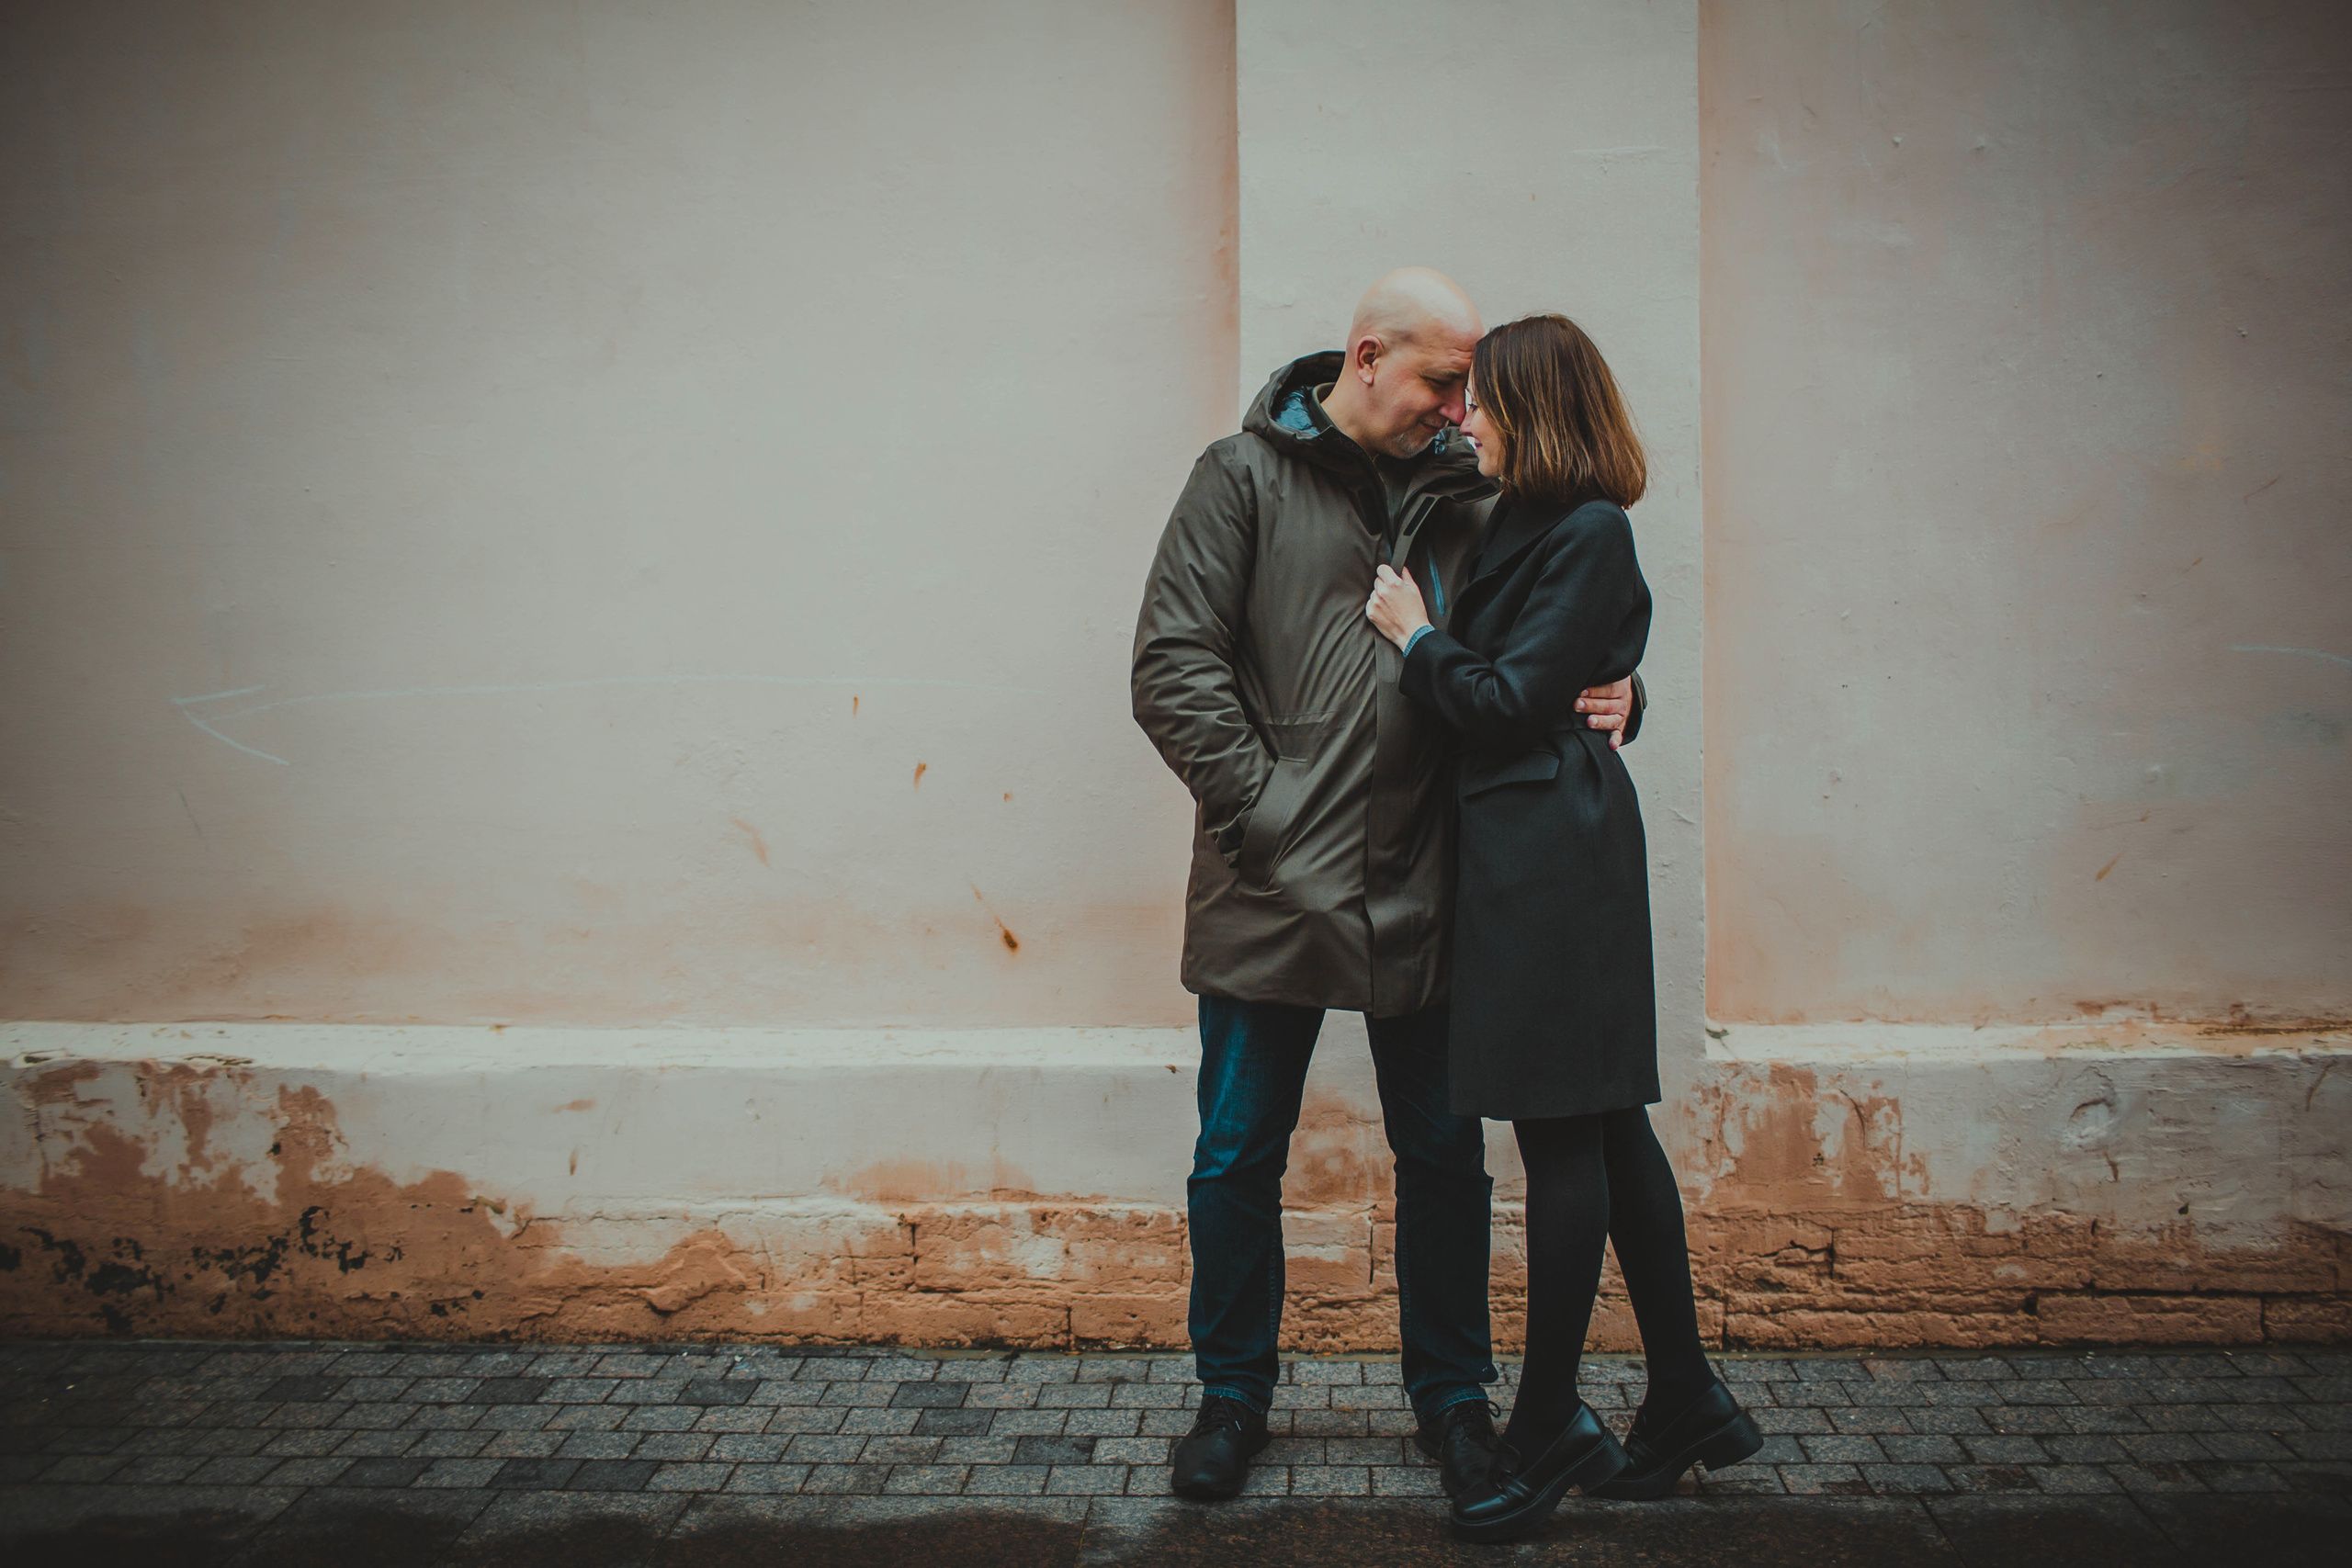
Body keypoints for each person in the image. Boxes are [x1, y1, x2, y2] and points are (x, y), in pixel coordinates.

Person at [1131, 270, 1643, 1504]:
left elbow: (1557, 638)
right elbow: (1172, 664)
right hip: (1271, 883)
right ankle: (1231, 1400)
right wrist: (1264, 809)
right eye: (1440, 382)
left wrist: (1625, 692)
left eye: (1470, 388)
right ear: (1366, 358)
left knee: (1443, 1156)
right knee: (1237, 1153)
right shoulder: (1238, 478)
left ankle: (1454, 1404)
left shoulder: (1484, 504)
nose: (1460, 410)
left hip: (1437, 886)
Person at [1364, 313, 1761, 1543]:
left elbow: (1504, 699)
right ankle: (1687, 1395)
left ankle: (1546, 1420)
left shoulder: (1590, 527)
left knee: (1563, 1135)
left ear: (1537, 407)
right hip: (1536, 846)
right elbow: (1566, 668)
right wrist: (1621, 683)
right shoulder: (1525, 517)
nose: (1460, 417)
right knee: (1605, 1124)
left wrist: (1415, 636)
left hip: (1551, 861)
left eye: (1480, 399)